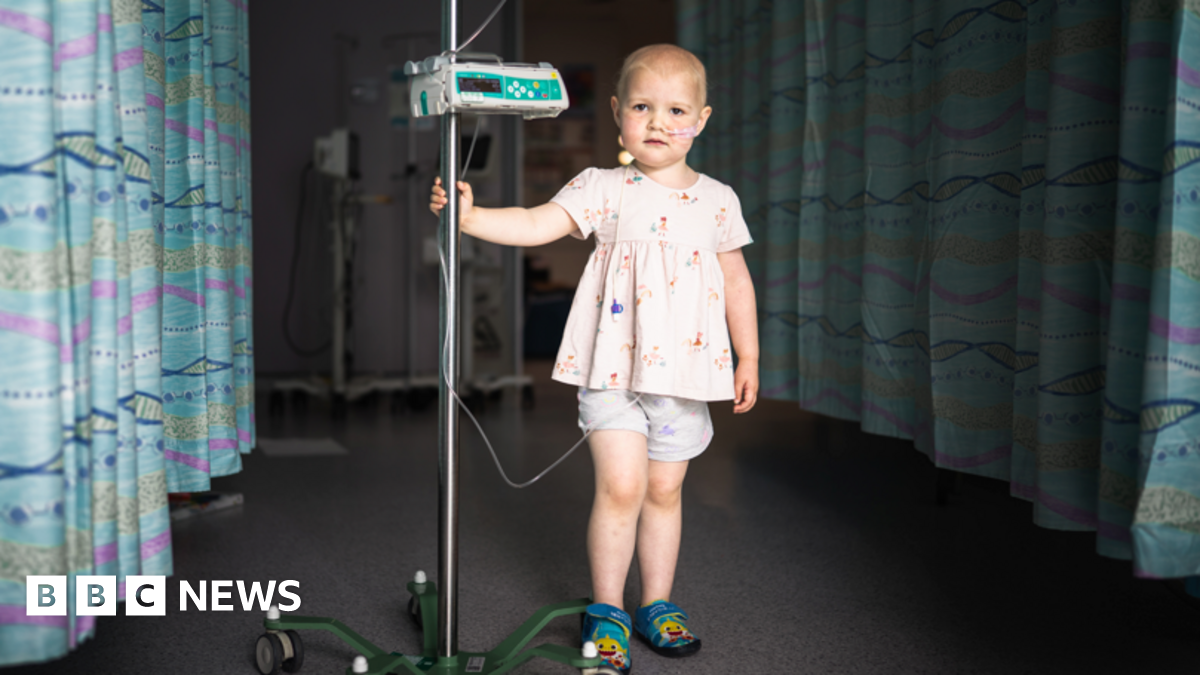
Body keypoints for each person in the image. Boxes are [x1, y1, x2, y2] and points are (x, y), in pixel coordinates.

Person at [430, 43, 759, 674]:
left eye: (675, 109)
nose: (658, 123)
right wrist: (470, 219)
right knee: (623, 486)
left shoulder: (719, 200)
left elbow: (737, 283)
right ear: (617, 112)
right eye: (642, 106)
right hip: (613, 371)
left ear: (703, 119)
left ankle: (656, 602)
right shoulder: (603, 188)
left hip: (684, 376)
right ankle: (607, 606)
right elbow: (533, 223)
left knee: (665, 489)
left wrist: (748, 354)